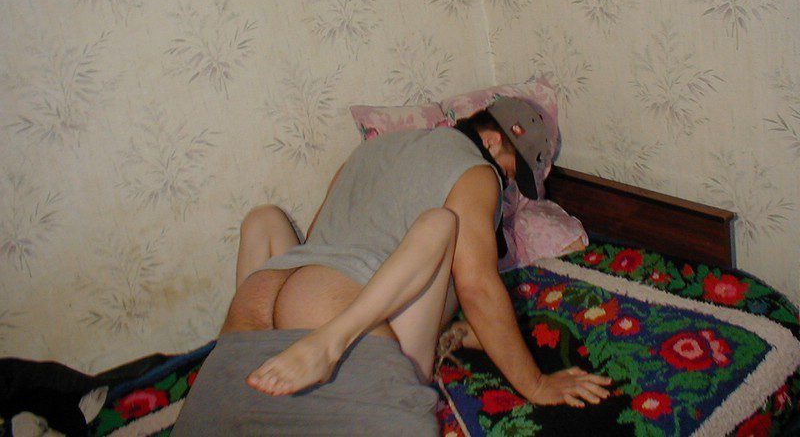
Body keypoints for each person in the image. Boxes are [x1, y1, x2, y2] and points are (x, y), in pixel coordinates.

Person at [173, 97, 610, 436]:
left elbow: (323, 236)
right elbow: (477, 285)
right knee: (442, 227)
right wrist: (536, 384)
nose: (507, 184)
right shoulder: (478, 173)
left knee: (266, 219)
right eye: (512, 173)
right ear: (493, 141)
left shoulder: (372, 150)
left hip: (258, 295)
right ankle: (328, 346)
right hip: (332, 310)